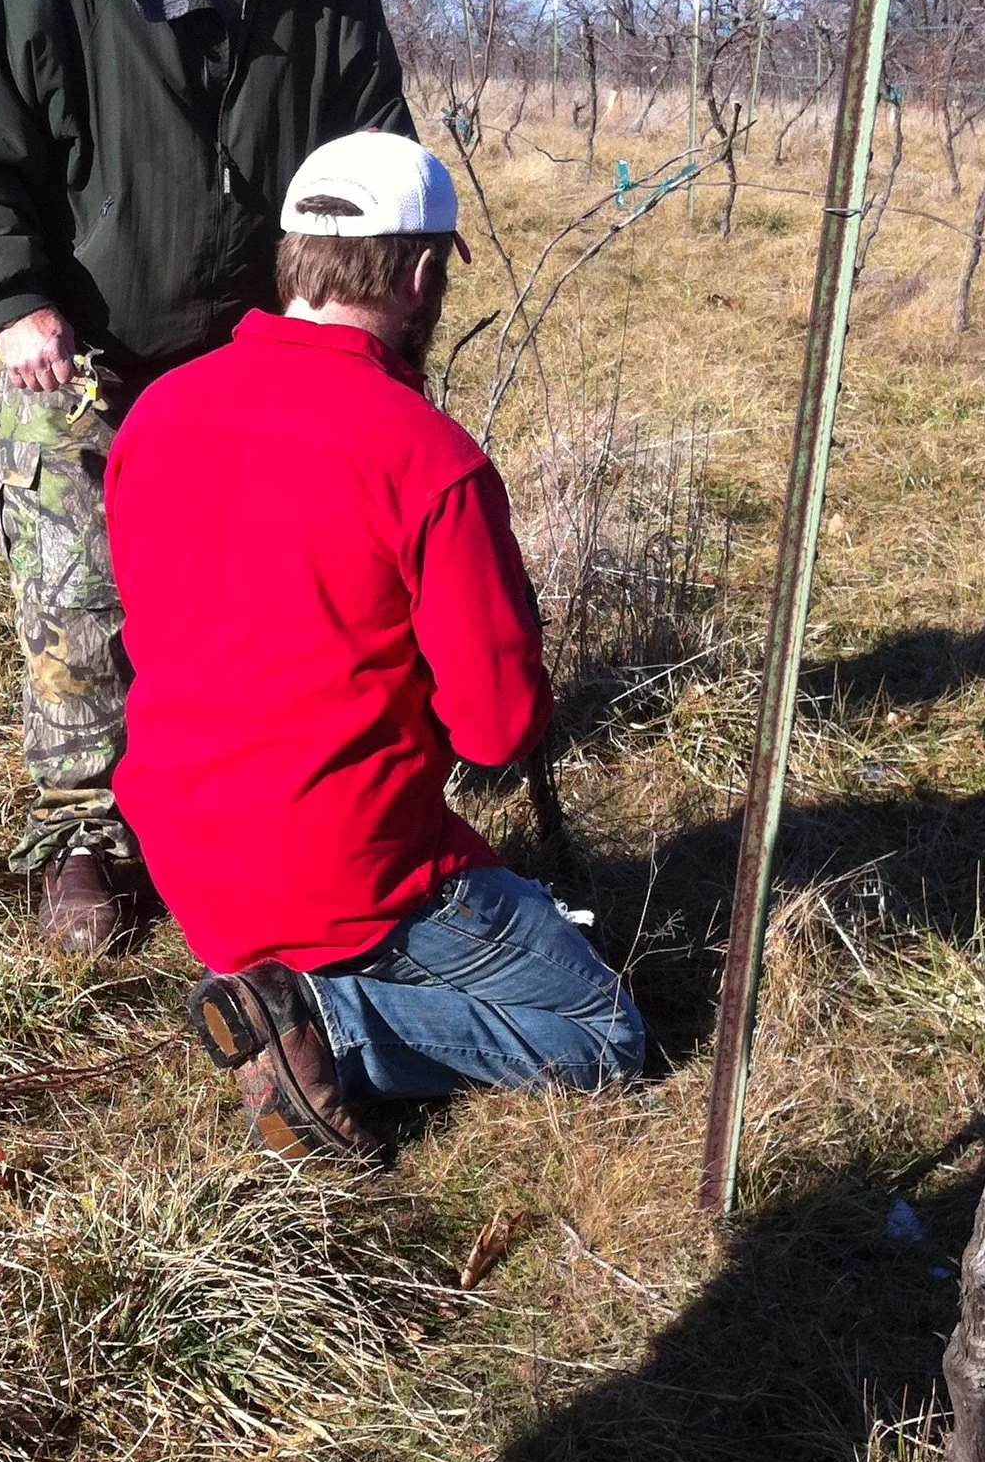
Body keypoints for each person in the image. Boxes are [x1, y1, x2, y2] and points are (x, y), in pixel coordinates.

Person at [0, 0, 415, 955]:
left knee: (245, 607)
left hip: (257, 356)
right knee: (76, 593)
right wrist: (14, 300)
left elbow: (372, 166)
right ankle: (85, 837)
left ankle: (228, 815)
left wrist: (366, 332)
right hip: (81, 346)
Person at [105, 131, 645, 1162]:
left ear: (293, 259)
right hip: (344, 870)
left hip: (185, 854)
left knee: (516, 909)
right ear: (420, 273)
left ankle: (287, 995)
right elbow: (496, 731)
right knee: (603, 1030)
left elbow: (150, 626)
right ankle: (329, 1027)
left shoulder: (156, 413)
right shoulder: (428, 458)